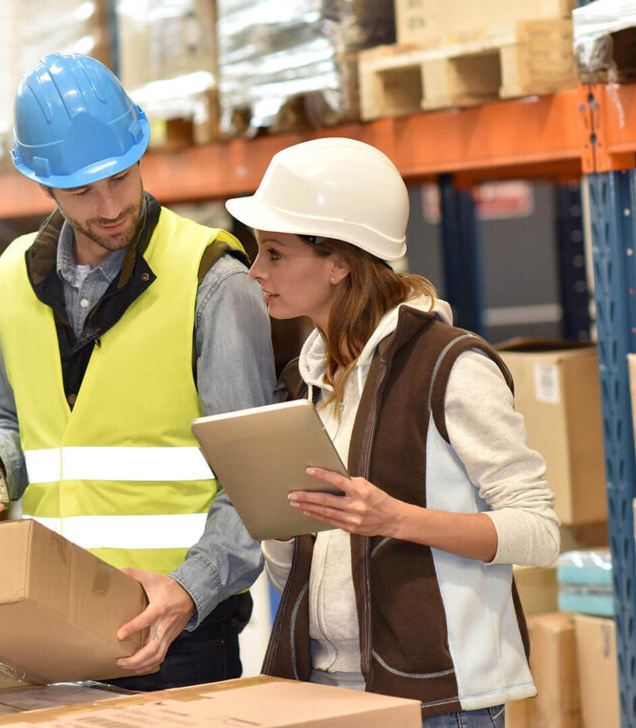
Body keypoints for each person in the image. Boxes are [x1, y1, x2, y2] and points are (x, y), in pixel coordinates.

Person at [0, 53, 276, 690]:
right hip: (47, 621)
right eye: (82, 192)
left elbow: (254, 483)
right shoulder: (12, 277)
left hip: (174, 636)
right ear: (44, 186)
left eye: (121, 178)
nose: (110, 206)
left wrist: (189, 589)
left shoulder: (214, 281)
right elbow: (13, 421)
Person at [225, 137, 560, 726]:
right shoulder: (303, 380)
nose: (256, 271)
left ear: (339, 262)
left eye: (275, 253)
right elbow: (299, 555)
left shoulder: (451, 367)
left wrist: (395, 519)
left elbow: (538, 531)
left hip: (439, 701)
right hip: (321, 688)